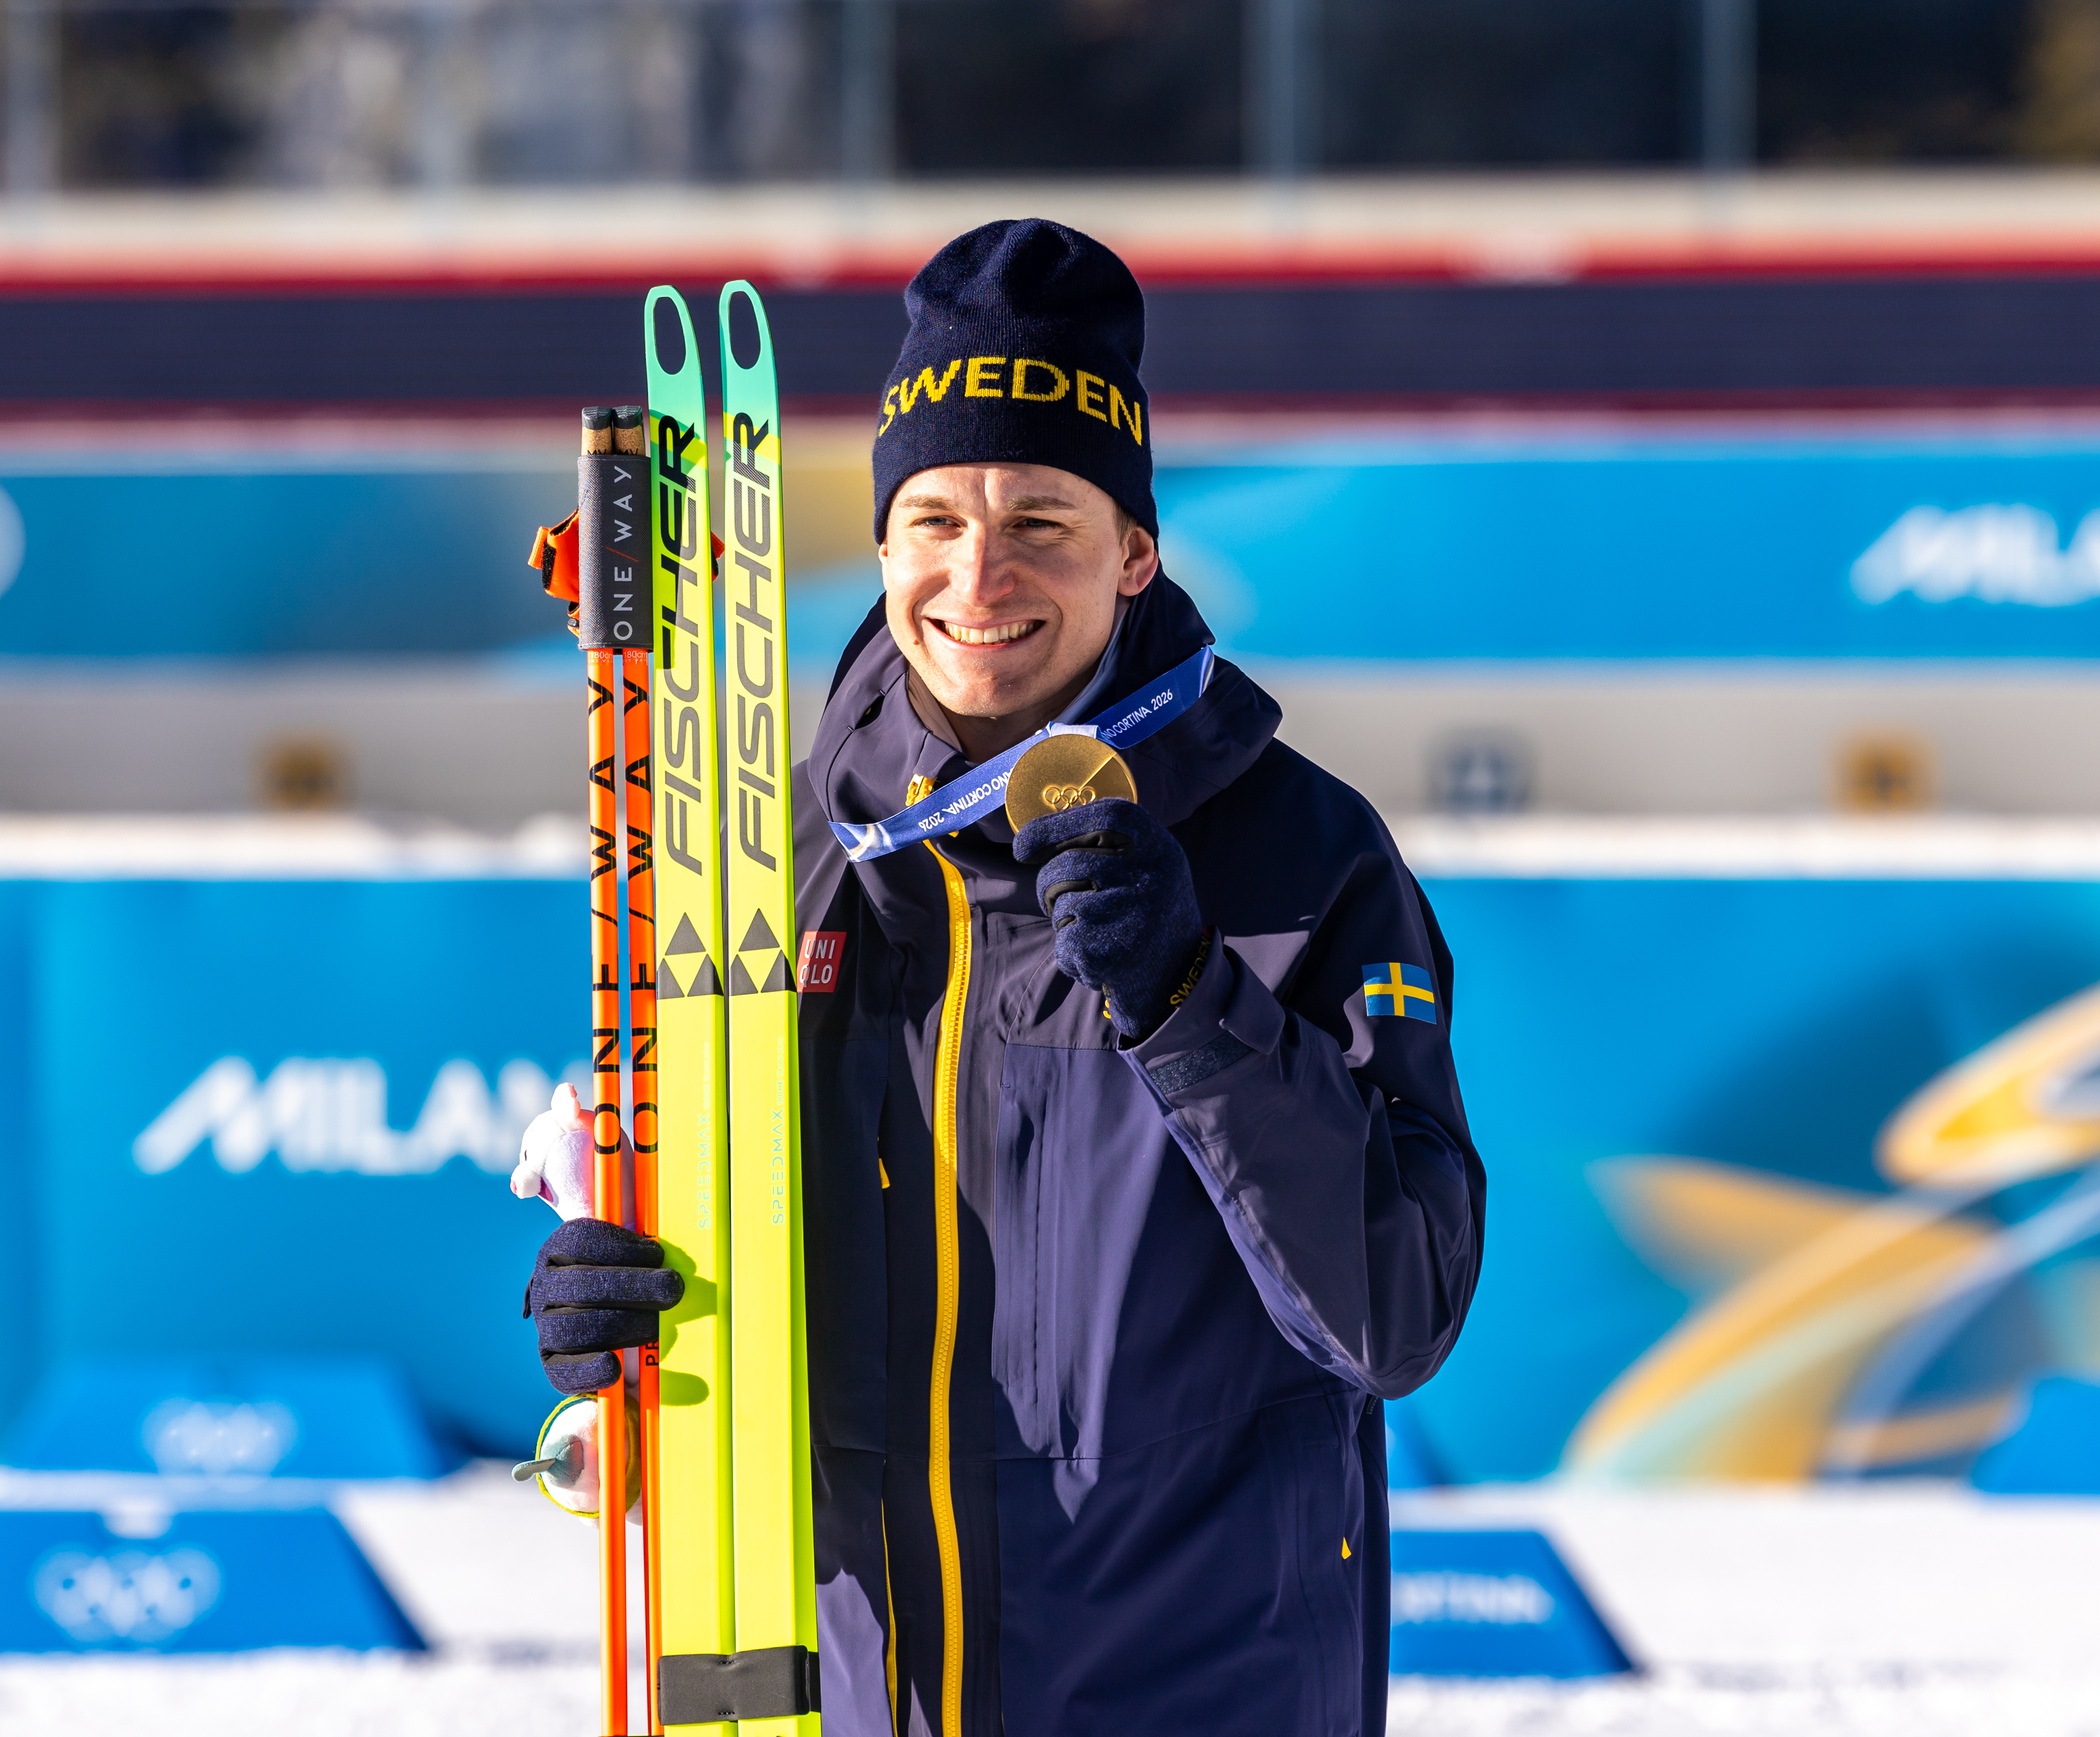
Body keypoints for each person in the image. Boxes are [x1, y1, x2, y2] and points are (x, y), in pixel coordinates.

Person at [518, 219, 1485, 1737]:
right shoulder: (781, 860)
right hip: (851, 1697)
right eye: (938, 519)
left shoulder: (1306, 861)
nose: (983, 574)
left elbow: (1394, 1312)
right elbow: (705, 1253)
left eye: (1043, 517)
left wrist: (1186, 998)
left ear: (1136, 550)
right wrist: (615, 1307)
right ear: (886, 544)